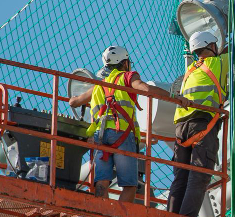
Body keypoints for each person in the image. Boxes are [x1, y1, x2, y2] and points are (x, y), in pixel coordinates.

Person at [68, 45, 181, 203]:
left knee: (102, 182)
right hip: (121, 134)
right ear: (124, 63)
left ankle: (102, 215)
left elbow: (74, 102)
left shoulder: (99, 85)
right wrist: (172, 96)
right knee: (129, 185)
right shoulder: (127, 77)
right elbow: (146, 89)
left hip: (100, 136)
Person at [168, 29, 235, 217]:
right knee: (199, 175)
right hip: (202, 124)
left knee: (181, 177)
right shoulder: (218, 63)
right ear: (210, 46)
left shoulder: (191, 70)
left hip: (181, 128)